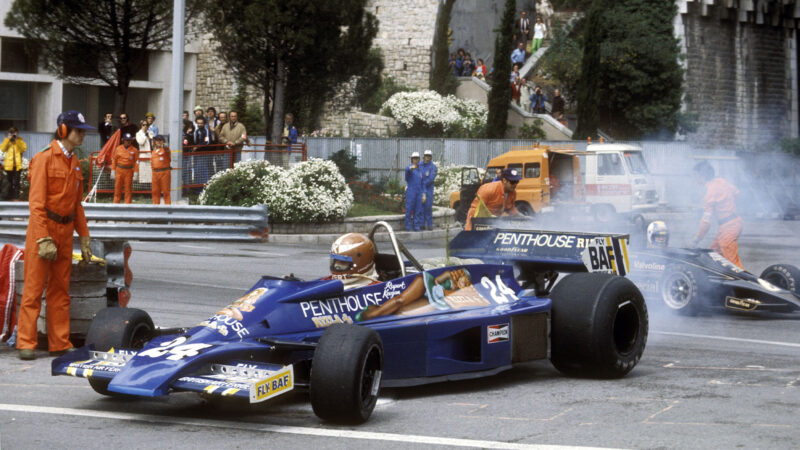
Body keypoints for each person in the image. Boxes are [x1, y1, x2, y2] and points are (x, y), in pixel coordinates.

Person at [16, 110, 93, 360]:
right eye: (78, 130)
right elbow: (36, 204)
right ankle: (26, 343)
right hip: (44, 230)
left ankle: (59, 343)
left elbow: (77, 205)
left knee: (60, 291)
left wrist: (84, 237)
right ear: (63, 131)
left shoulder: (75, 163)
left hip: (65, 232)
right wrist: (42, 237)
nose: (82, 135)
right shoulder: (44, 159)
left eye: (83, 131)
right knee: (34, 289)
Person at [691, 161, 743, 267]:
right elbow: (737, 193)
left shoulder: (709, 192)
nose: (694, 179)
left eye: (695, 175)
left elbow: (706, 222)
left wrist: (696, 239)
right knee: (714, 254)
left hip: (729, 227)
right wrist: (727, 206)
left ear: (701, 176)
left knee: (734, 266)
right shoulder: (721, 181)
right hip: (733, 223)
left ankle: (743, 283)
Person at [112, 132, 138, 204]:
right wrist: (113, 171)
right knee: (117, 189)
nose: (128, 142)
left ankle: (127, 206)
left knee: (128, 190)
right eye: (126, 140)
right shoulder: (118, 149)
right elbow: (114, 160)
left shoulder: (134, 150)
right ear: (123, 140)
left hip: (129, 171)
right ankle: (116, 205)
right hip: (119, 170)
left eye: (129, 140)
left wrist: (136, 173)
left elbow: (136, 162)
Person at [2, 127, 26, 200]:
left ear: (17, 133)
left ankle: (15, 197)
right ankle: (8, 197)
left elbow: (23, 149)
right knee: (8, 182)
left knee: (16, 182)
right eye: (11, 133)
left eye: (14, 133)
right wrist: (8, 139)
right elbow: (3, 149)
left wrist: (16, 140)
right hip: (9, 165)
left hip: (17, 165)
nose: (13, 134)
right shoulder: (7, 141)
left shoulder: (20, 140)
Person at [404, 152, 424, 232]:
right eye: (414, 158)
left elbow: (423, 182)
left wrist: (423, 193)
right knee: (409, 209)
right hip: (411, 191)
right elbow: (406, 174)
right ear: (412, 159)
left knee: (418, 209)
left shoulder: (420, 169)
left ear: (419, 159)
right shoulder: (409, 168)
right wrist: (410, 169)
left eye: (417, 158)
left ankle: (416, 226)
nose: (416, 160)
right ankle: (408, 226)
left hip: (419, 192)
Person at [150, 135, 171, 205]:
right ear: (155, 142)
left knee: (166, 192)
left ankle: (168, 210)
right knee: (155, 192)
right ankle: (156, 209)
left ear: (163, 141)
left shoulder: (165, 150)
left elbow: (168, 152)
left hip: (164, 173)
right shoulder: (153, 151)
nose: (159, 142)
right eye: (157, 140)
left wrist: (165, 147)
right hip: (155, 174)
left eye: (160, 140)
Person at [421, 149, 438, 230]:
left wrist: (423, 183)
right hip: (420, 189)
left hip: (428, 189)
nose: (427, 158)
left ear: (431, 157)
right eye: (426, 156)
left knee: (428, 207)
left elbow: (431, 178)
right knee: (420, 207)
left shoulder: (433, 167)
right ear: (423, 156)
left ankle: (430, 225)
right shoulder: (419, 165)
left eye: (429, 156)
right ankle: (422, 224)